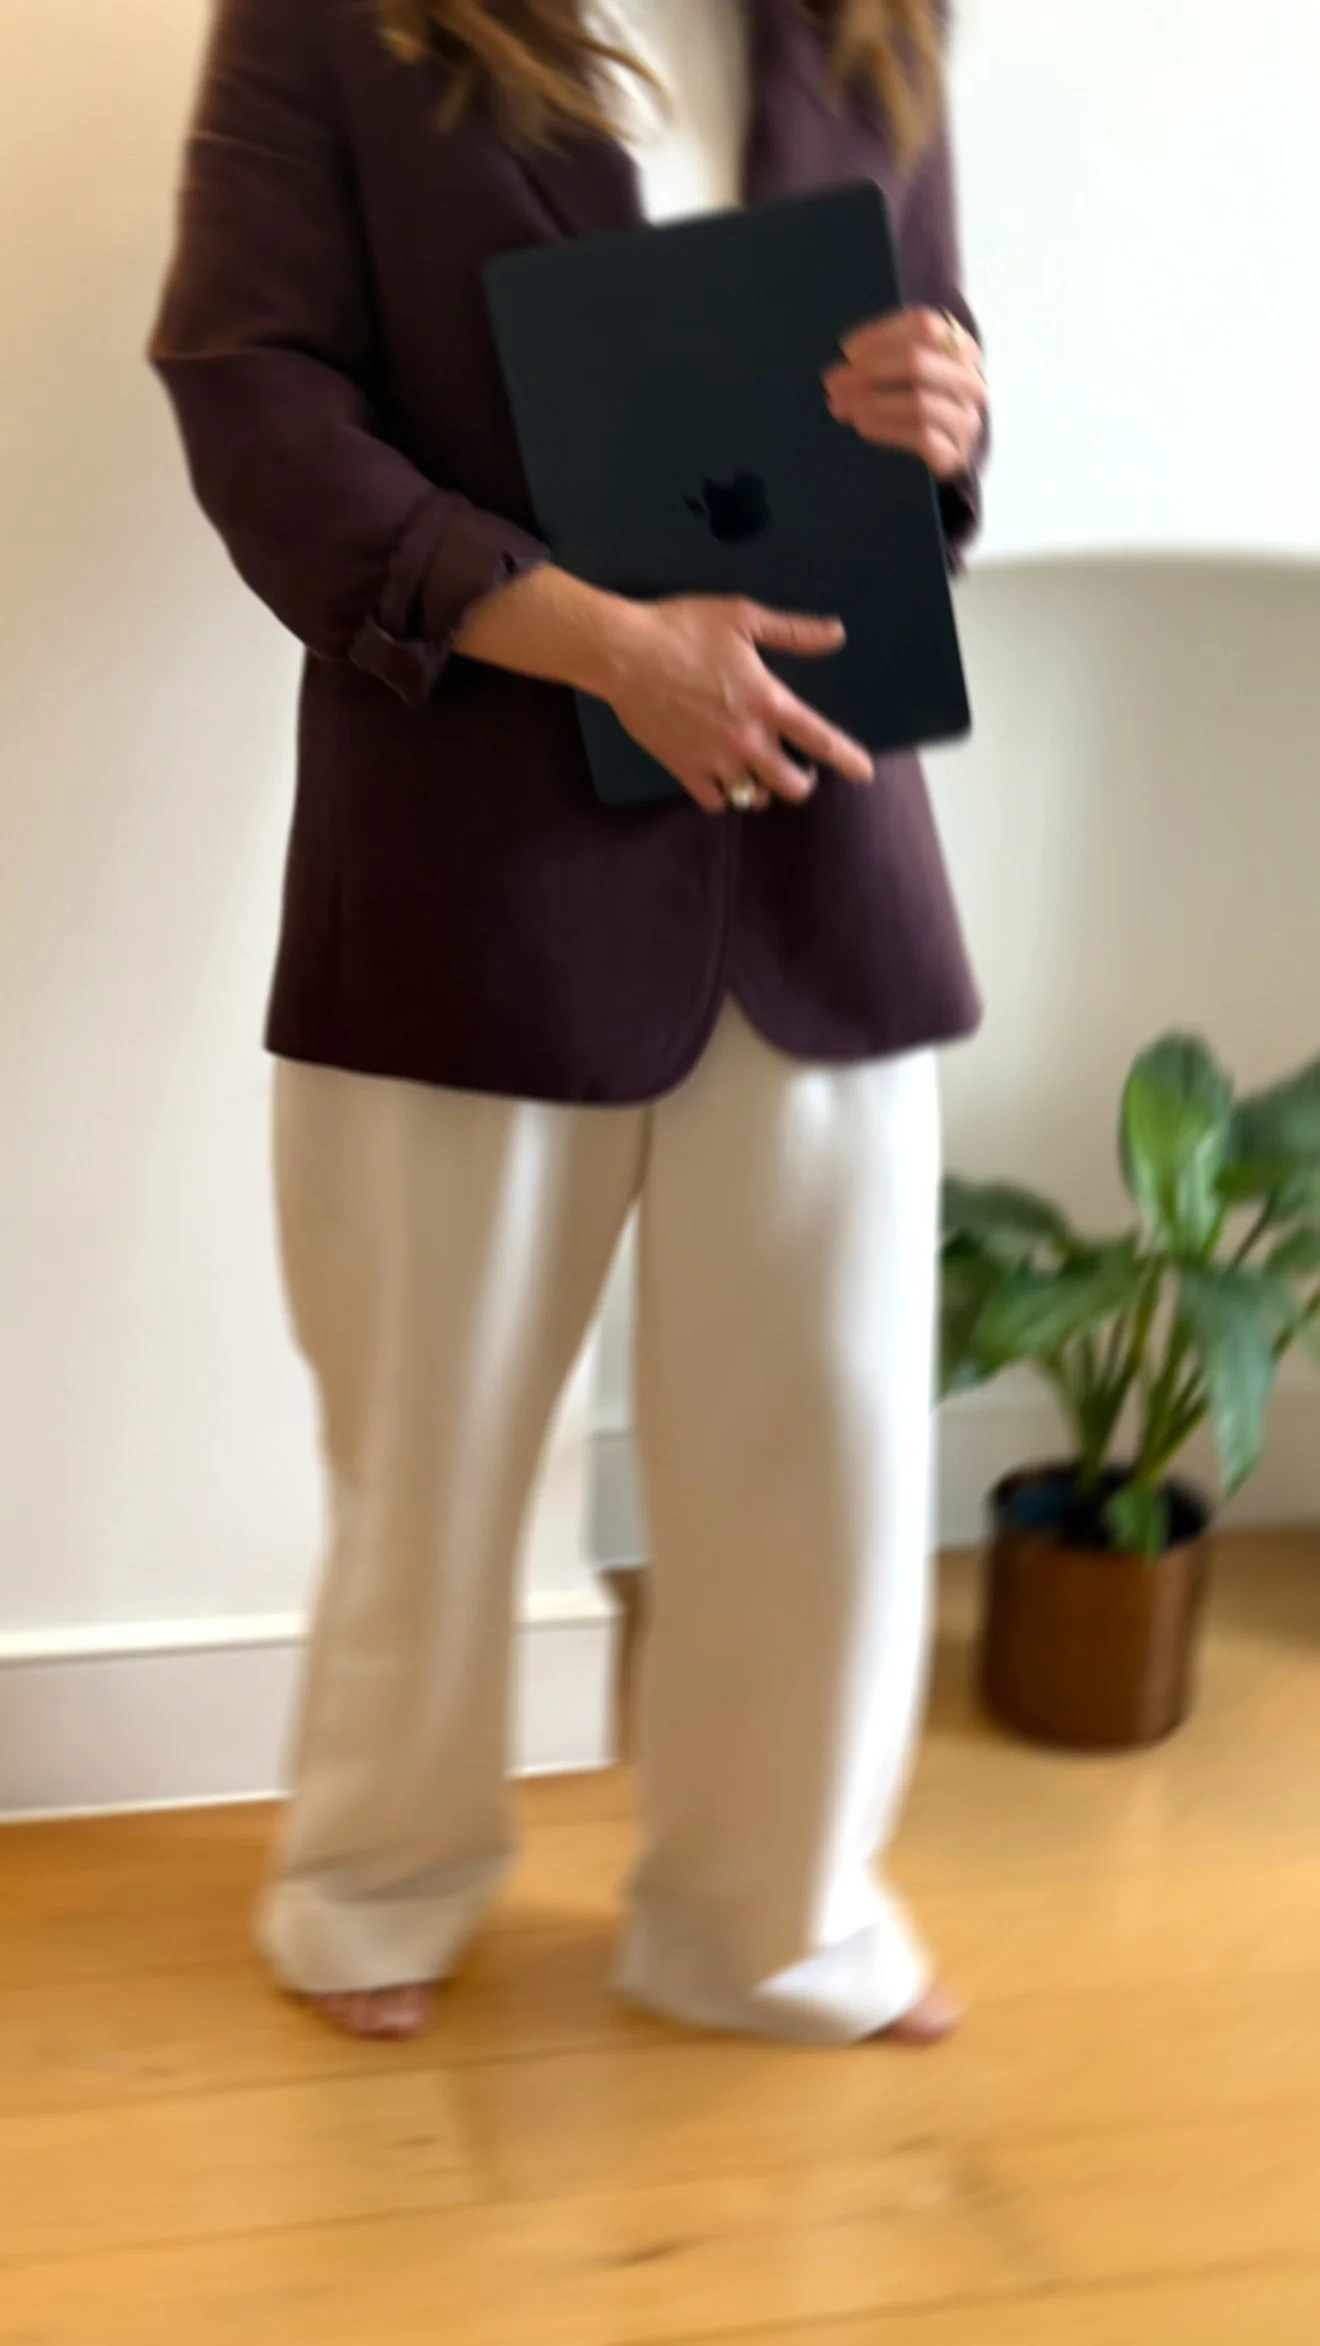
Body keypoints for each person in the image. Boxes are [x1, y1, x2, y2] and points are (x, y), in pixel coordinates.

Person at [151, 0, 988, 2048]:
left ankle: (771, 1921)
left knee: (831, 1430)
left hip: (818, 823)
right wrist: (603, 645)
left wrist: (948, 417)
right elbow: (251, 394)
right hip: (470, 851)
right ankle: (376, 1882)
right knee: (425, 1437)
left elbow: (923, 431)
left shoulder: (883, 18)